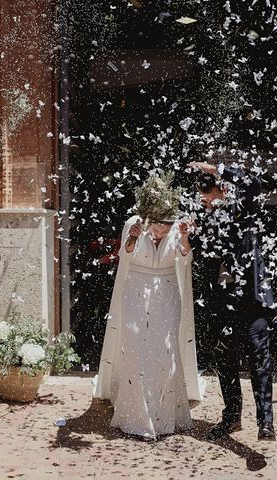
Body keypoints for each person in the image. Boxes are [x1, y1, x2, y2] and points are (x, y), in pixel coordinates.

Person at [94, 172, 202, 440]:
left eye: (165, 226)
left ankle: (165, 414)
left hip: (167, 291)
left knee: (165, 349)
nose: (160, 232)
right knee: (135, 346)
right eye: (157, 226)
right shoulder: (134, 223)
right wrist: (130, 238)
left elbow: (185, 258)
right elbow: (125, 255)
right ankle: (136, 415)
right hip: (136, 290)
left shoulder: (179, 227)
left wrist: (186, 239)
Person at [188, 161, 275, 441]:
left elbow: (254, 183)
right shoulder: (206, 219)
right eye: (201, 197)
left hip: (251, 299)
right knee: (223, 358)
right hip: (222, 300)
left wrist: (217, 169)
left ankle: (266, 424)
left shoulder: (243, 209)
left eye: (208, 194)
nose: (204, 200)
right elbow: (202, 254)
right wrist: (189, 235)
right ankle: (231, 417)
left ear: (221, 189)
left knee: (259, 358)